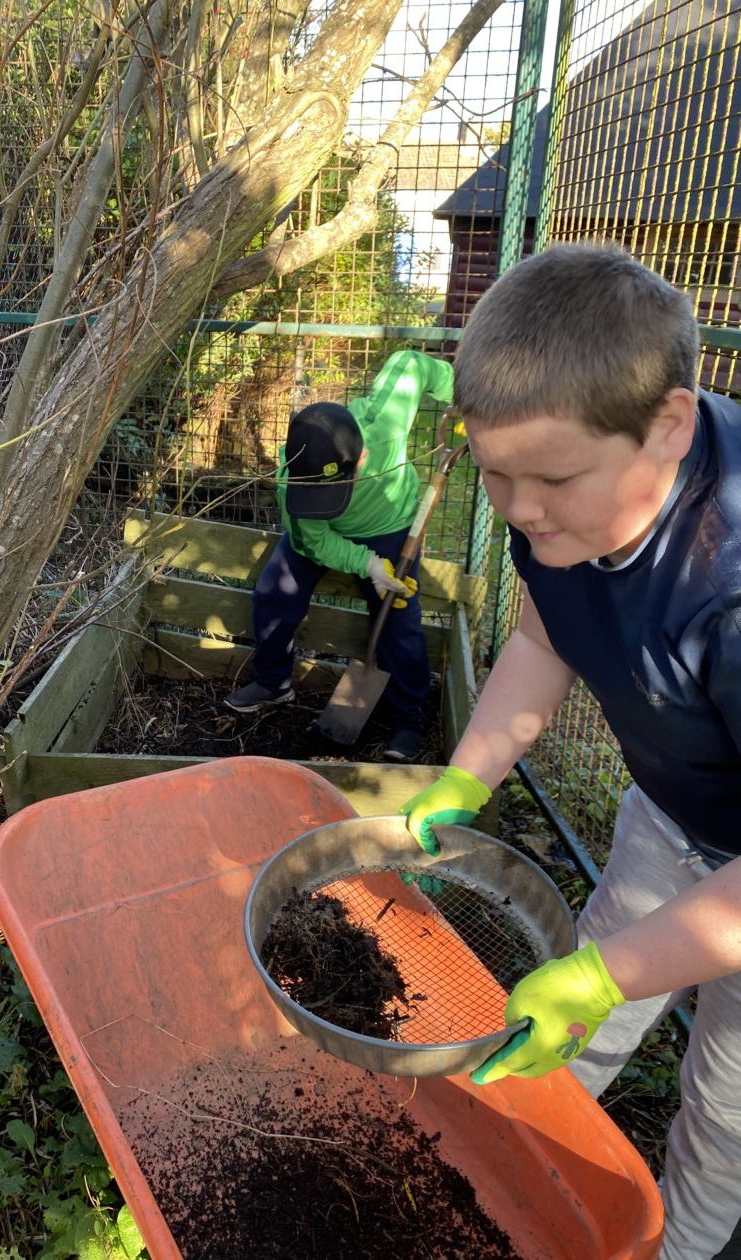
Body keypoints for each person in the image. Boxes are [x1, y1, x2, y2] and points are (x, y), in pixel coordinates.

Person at [400, 242, 741, 1260]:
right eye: (495, 474)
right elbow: (545, 637)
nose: (519, 508)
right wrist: (470, 771)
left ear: (668, 425)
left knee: (725, 1101)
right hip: (672, 813)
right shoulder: (556, 497)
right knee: (573, 1016)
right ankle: (505, 1187)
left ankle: (675, 1241)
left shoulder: (728, 588)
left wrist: (609, 972)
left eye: (548, 478)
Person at [225, 348, 454, 762]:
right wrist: (365, 565)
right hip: (324, 533)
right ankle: (273, 682)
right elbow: (314, 541)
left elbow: (412, 363)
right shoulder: (293, 476)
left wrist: (468, 401)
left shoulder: (386, 419)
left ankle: (408, 720)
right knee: (274, 594)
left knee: (398, 621)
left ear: (362, 457)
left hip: (390, 529)